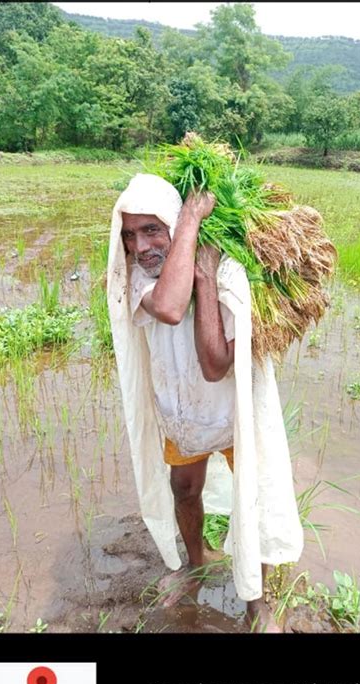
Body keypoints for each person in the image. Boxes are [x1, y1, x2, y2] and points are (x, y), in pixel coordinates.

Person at [107, 173, 304, 633]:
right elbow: (171, 307)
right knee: (184, 491)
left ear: (174, 225)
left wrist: (208, 278)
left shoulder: (230, 271)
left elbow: (216, 366)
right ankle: (196, 563)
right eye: (130, 234)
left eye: (153, 229)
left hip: (233, 415)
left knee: (252, 500)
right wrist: (193, 218)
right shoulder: (138, 277)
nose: (141, 246)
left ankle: (257, 601)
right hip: (183, 415)